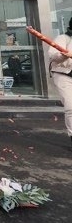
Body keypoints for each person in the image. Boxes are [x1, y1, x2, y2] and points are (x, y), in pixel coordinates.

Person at [47, 17, 72, 149]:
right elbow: (53, 55)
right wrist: (64, 55)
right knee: (71, 106)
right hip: (64, 74)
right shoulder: (63, 38)